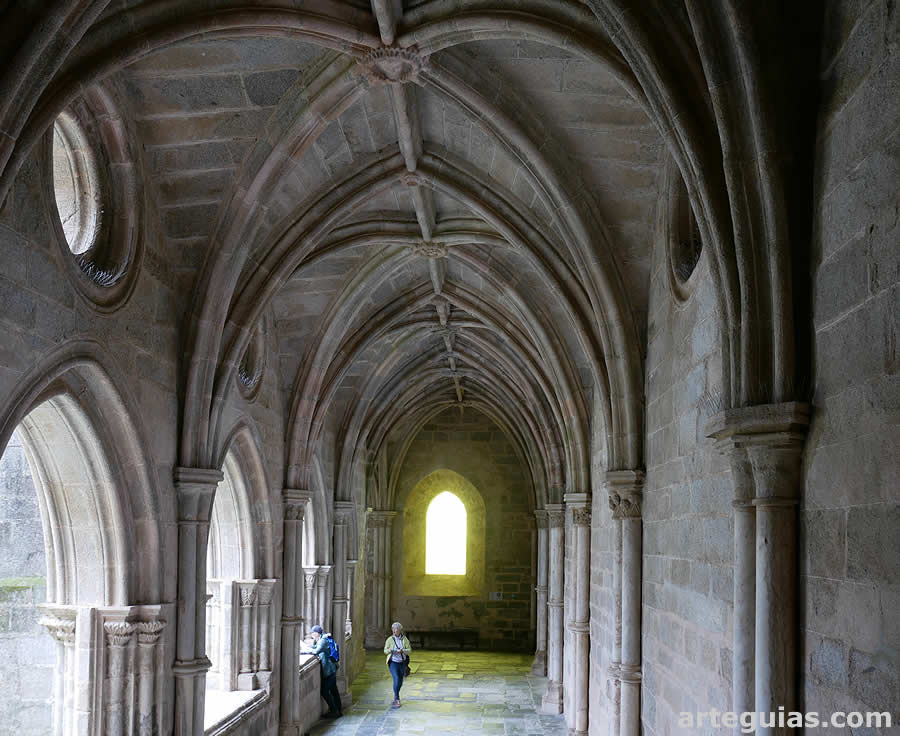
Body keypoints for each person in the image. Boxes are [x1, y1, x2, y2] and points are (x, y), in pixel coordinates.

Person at [301, 624, 342, 718]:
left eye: (312, 633)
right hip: (332, 669)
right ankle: (338, 710)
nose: (311, 635)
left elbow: (316, 651)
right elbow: (316, 648)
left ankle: (334, 711)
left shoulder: (323, 640)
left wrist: (304, 651)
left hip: (329, 670)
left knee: (325, 691)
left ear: (316, 633)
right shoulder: (323, 639)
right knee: (333, 690)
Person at [383, 621, 411, 708]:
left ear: (400, 630)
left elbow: (410, 651)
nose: (394, 631)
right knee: (396, 678)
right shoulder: (390, 639)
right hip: (393, 662)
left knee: (400, 681)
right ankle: (397, 698)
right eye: (393, 629)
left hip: (402, 662)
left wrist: (403, 650)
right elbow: (385, 651)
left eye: (396, 629)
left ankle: (395, 693)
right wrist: (390, 650)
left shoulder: (405, 640)